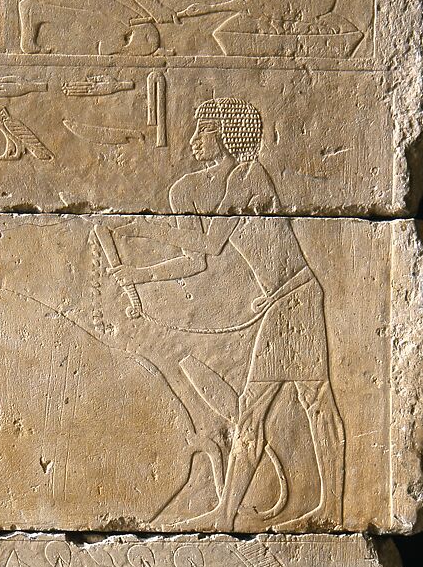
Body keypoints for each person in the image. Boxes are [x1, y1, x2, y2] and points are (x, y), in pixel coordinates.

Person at [107, 98, 346, 529]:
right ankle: (229, 512)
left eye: (204, 132)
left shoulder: (245, 177)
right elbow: (196, 263)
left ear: (227, 137)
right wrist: (137, 273)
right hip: (283, 303)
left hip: (295, 301)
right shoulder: (231, 182)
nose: (195, 141)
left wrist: (142, 225)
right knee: (262, 410)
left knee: (312, 402)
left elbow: (210, 245)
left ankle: (328, 508)